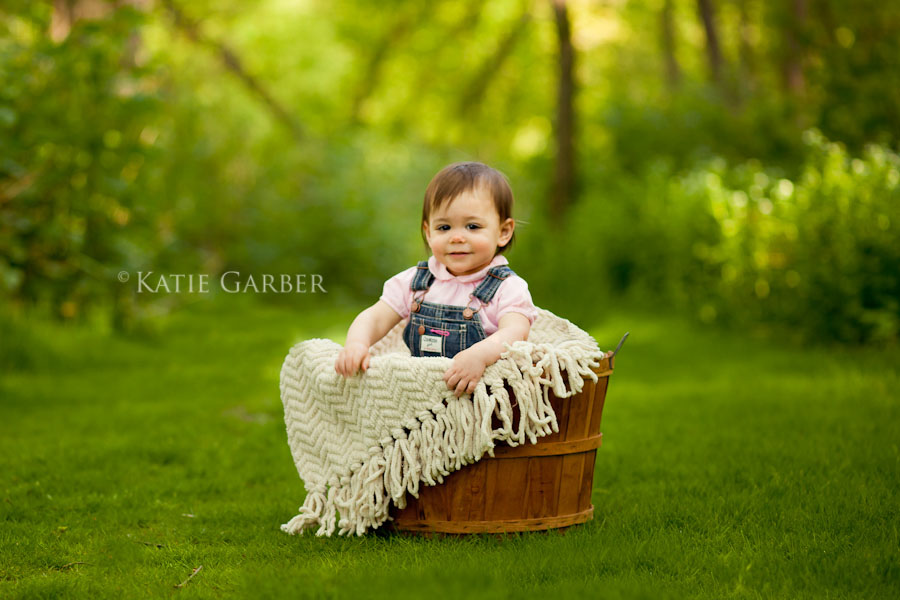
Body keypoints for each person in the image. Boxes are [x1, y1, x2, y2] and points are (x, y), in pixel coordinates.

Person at [334, 161, 538, 397]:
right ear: (428, 233)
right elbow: (375, 318)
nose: (457, 237)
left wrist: (481, 354)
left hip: (479, 396)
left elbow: (515, 333)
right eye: (444, 227)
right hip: (419, 394)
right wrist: (357, 344)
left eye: (472, 226)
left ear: (503, 232)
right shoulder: (415, 283)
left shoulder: (507, 288)